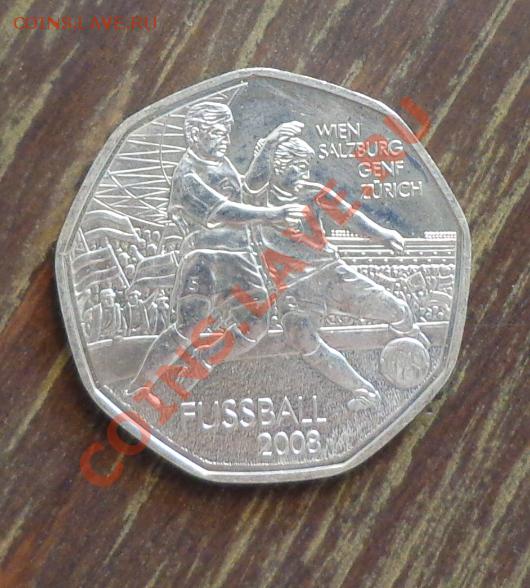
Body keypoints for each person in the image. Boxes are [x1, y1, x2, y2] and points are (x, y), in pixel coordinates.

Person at [128, 102, 305, 396]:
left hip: (241, 258)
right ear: (194, 134)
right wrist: (273, 215)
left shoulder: (222, 164)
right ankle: (139, 387)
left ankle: (204, 360)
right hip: (205, 259)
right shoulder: (186, 175)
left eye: (226, 133)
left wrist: (268, 146)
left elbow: (249, 190)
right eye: (217, 133)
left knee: (257, 323)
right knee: (189, 326)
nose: (225, 139)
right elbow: (221, 211)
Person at [252, 136, 429, 411]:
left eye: (306, 167)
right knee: (301, 338)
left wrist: (382, 235)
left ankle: (417, 341)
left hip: (330, 275)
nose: (304, 174)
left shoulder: (313, 193)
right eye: (298, 166)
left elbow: (350, 217)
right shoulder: (255, 201)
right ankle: (364, 391)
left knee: (395, 309)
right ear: (278, 165)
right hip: (292, 291)